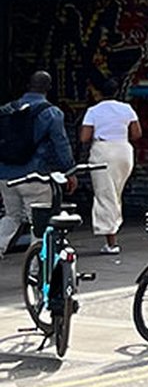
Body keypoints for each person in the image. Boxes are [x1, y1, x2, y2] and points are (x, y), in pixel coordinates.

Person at [0, 73, 74, 255]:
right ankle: (37, 265)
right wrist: (69, 171)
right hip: (35, 175)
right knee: (39, 222)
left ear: (28, 85)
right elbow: (61, 145)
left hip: (6, 175)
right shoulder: (51, 113)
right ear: (49, 88)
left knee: (12, 216)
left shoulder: (7, 109)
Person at [78, 95, 143, 255]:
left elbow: (84, 137)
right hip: (124, 151)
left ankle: (111, 241)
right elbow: (136, 134)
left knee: (105, 195)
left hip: (103, 150)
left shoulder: (93, 111)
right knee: (115, 194)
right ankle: (113, 227)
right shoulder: (127, 108)